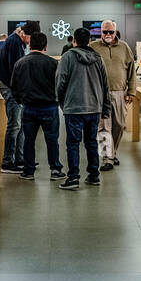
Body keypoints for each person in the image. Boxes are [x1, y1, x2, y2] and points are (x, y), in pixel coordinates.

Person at [54, 27, 109, 191]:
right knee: (91, 142)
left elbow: (60, 81)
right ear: (89, 41)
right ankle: (94, 175)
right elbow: (105, 85)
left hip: (74, 108)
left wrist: (61, 101)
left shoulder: (68, 56)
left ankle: (73, 178)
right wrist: (105, 108)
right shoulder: (98, 58)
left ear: (74, 41)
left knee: (73, 144)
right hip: (94, 108)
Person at [11, 31, 64, 180]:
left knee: (29, 140)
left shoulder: (20, 63)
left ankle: (28, 171)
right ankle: (55, 170)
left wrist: (21, 101)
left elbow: (14, 87)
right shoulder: (53, 63)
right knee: (52, 140)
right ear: (45, 47)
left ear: (29, 44)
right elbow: (60, 86)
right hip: (49, 108)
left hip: (28, 108)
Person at [89, 20, 135, 171]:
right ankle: (107, 158)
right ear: (100, 32)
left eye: (111, 32)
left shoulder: (124, 47)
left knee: (119, 125)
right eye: (105, 32)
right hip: (99, 93)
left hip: (120, 93)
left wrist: (131, 91)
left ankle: (112, 152)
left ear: (116, 32)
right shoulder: (93, 47)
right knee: (103, 127)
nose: (108, 35)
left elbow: (131, 71)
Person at [0, 25, 31, 173]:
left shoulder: (16, 41)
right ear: (23, 34)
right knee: (14, 125)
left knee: (20, 125)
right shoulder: (14, 42)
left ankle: (20, 158)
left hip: (14, 87)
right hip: (10, 87)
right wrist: (19, 91)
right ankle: (8, 162)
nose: (30, 42)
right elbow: (15, 69)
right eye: (30, 39)